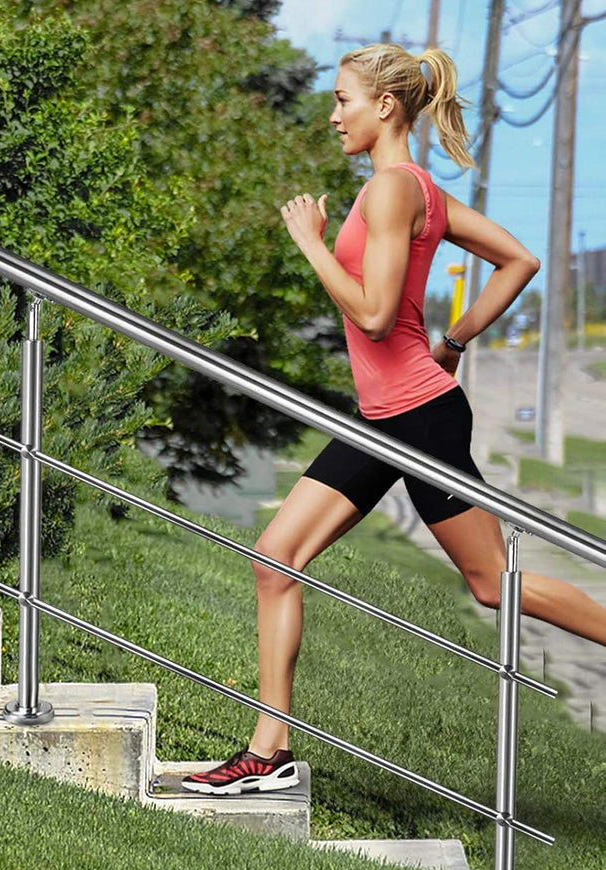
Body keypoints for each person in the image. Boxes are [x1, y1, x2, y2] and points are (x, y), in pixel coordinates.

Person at [182, 42, 606, 797]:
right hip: (387, 415)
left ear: (385, 106)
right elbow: (519, 259)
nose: (334, 114)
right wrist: (451, 342)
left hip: (418, 417)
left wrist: (314, 247)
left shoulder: (390, 192)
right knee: (274, 557)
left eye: (343, 99)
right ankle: (267, 749)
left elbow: (375, 318)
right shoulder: (418, 191)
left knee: (492, 584)